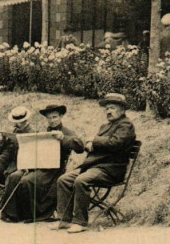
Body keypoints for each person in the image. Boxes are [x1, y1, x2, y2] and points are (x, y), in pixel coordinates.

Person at [54, 93, 136, 233]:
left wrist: (94, 141)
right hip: (96, 167)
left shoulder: (126, 125)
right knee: (64, 180)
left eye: (113, 108)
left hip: (111, 169)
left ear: (122, 110)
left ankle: (80, 222)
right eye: (107, 108)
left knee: (81, 180)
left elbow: (116, 143)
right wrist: (90, 143)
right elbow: (98, 144)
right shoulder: (106, 126)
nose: (108, 111)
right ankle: (64, 220)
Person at [0, 103, 84, 223]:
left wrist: (63, 138)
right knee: (14, 176)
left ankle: (33, 214)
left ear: (61, 116)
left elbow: (80, 147)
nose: (52, 120)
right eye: (49, 118)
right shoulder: (46, 131)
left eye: (54, 117)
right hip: (39, 165)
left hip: (55, 169)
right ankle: (12, 214)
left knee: (26, 181)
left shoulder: (66, 132)